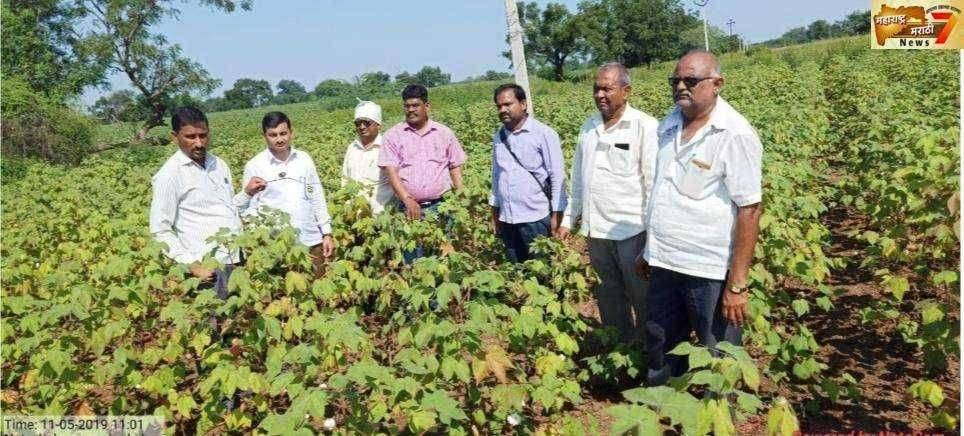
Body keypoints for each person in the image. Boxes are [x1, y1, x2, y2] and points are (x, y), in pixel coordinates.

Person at [639, 50, 763, 385]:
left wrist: (737, 284)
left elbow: (749, 209)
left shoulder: (734, 133)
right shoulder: (668, 123)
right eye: (675, 80)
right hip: (664, 262)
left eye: (690, 80)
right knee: (661, 345)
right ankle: (665, 410)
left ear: (717, 83)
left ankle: (717, 417)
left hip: (708, 269)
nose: (680, 86)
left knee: (718, 353)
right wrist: (649, 248)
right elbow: (661, 191)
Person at [558, 63, 659, 344]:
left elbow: (653, 186)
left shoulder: (645, 127)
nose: (600, 94)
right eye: (596, 88)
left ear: (626, 91)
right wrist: (569, 219)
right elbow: (578, 180)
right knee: (609, 298)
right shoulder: (588, 127)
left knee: (643, 299)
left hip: (632, 233)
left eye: (607, 88)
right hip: (596, 233)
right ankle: (621, 352)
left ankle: (648, 356)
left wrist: (653, 239)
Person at [149, 106, 265, 298]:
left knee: (238, 322)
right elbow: (160, 231)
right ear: (174, 137)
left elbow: (226, 208)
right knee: (213, 324)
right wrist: (192, 265)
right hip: (207, 268)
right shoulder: (169, 175)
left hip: (236, 258)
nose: (199, 143)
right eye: (190, 137)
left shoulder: (218, 164)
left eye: (203, 135)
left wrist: (246, 194)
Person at [236, 111, 334, 277]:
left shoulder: (304, 160)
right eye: (273, 135)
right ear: (264, 136)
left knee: (320, 291)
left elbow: (315, 195)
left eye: (283, 133)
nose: (279, 139)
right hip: (277, 246)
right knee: (283, 297)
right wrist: (257, 242)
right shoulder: (255, 166)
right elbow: (250, 208)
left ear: (291, 132)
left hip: (310, 239)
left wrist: (326, 233)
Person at [378, 84, 467, 263]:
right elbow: (392, 173)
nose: (411, 110)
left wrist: (462, 200)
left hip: (441, 207)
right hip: (409, 209)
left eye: (415, 105)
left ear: (427, 106)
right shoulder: (393, 136)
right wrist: (407, 199)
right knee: (413, 260)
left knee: (443, 260)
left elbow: (455, 167)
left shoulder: (444, 133)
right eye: (407, 106)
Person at [489, 83, 567, 262]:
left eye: (508, 104)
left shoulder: (544, 134)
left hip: (535, 219)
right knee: (517, 275)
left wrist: (557, 216)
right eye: (499, 106)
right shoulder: (499, 137)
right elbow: (496, 177)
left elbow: (557, 177)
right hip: (507, 219)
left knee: (543, 273)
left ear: (523, 104)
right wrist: (495, 215)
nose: (502, 110)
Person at [341, 100, 394, 214]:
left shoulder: (387, 147)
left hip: (381, 214)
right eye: (358, 123)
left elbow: (397, 180)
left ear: (378, 124)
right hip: (355, 214)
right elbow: (345, 179)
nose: (362, 127)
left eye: (367, 123)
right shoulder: (352, 148)